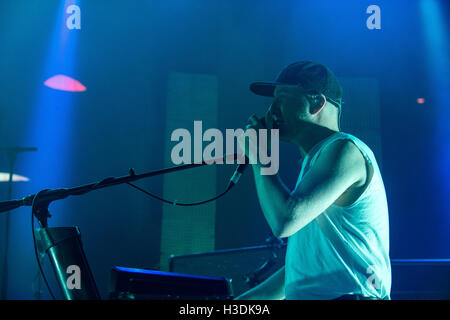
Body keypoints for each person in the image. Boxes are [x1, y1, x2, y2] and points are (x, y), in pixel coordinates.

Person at [236, 61, 391, 300]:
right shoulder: (314, 165)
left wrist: (260, 155)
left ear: (317, 102)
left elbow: (285, 221)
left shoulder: (345, 149)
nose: (272, 110)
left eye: (283, 98)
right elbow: (299, 274)